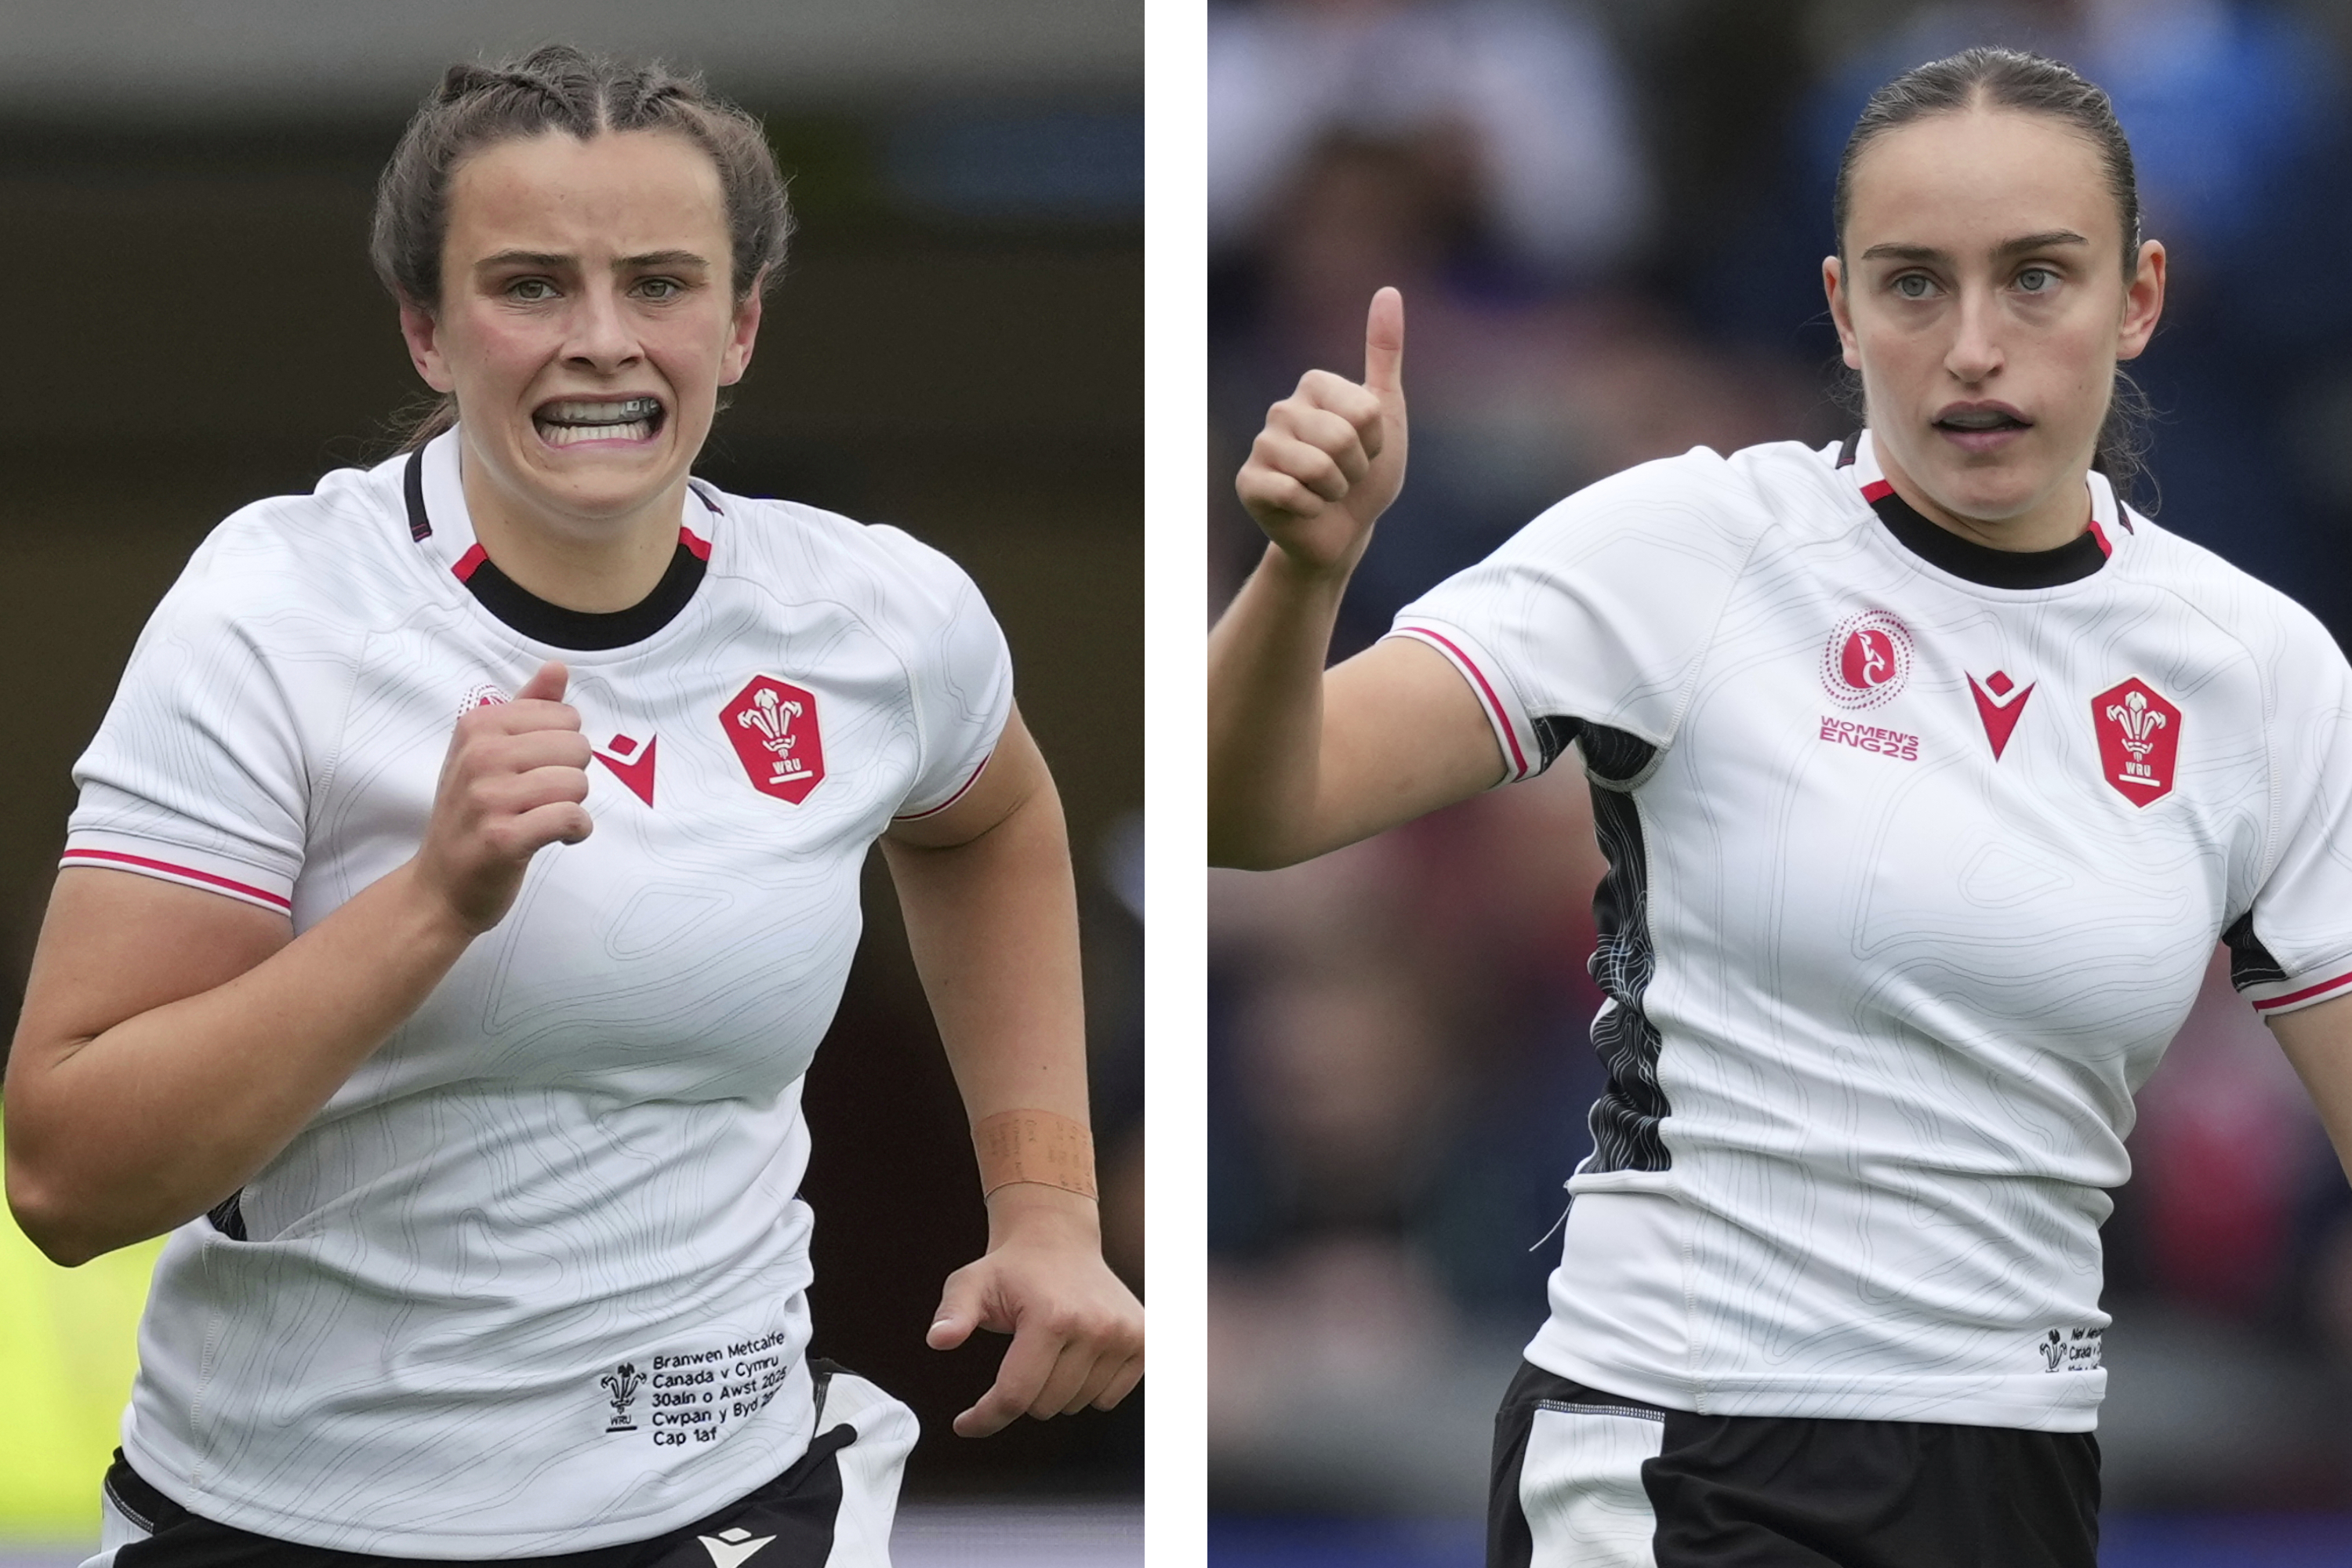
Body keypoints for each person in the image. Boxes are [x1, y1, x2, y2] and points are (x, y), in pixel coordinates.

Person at [1209, 46, 2352, 1566]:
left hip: (2020, 1465)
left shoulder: (2259, 671)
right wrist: (1305, 574)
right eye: (1913, 285)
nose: (1971, 345)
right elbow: (1258, 806)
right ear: (1840, 306)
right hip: (1678, 1446)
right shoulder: (1696, 545)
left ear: (2136, 298)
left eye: (2035, 279)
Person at [2, 45, 1142, 1565]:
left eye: (662, 284)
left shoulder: (877, 615)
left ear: (738, 329)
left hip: (727, 1505)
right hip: (285, 1520)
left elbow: (989, 819)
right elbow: (67, 1175)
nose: (602, 341)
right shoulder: (272, 614)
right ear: (426, 330)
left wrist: (1049, 1206)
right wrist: (431, 905)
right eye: (530, 285)